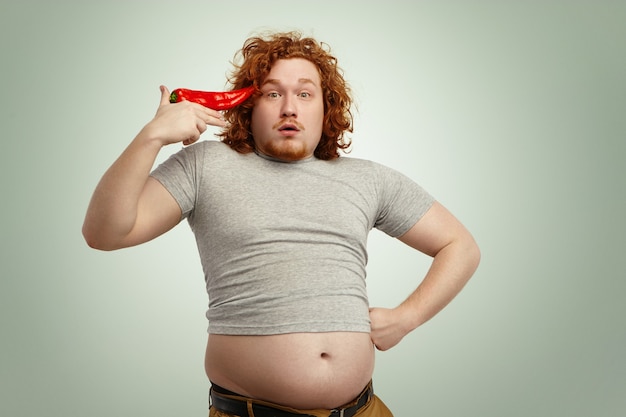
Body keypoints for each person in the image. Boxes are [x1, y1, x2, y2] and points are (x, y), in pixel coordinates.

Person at [82, 31, 480, 417]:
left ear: (327, 108)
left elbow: (459, 246)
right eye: (273, 93)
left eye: (305, 94)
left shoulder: (370, 178)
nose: (289, 107)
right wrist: (150, 137)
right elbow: (104, 232)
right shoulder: (204, 166)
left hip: (364, 410)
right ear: (248, 106)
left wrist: (406, 318)